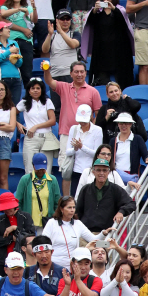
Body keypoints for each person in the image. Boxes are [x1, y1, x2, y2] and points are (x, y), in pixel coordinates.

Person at [43, 59, 101, 195]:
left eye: (82, 72)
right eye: (76, 72)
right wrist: (46, 70)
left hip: (87, 133)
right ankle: (67, 200)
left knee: (86, 167)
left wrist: (92, 131)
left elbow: (97, 113)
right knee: (66, 168)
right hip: (66, 133)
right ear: (71, 73)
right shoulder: (63, 87)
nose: (79, 74)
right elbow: (49, 81)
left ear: (86, 73)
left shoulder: (93, 91)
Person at [16, 77, 57, 174]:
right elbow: (11, 114)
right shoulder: (24, 102)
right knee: (30, 170)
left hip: (46, 139)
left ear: (42, 90)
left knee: (46, 171)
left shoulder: (48, 102)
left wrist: (36, 126)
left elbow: (52, 121)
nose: (35, 90)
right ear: (29, 90)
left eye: (38, 88)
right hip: (30, 138)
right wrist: (18, 124)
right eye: (32, 88)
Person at [43, 196, 95, 269]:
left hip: (72, 267)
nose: (72, 210)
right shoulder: (51, 223)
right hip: (54, 265)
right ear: (61, 209)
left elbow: (94, 240)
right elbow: (43, 243)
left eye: (74, 207)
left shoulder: (78, 224)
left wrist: (104, 233)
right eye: (69, 207)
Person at [16, 151, 60, 232]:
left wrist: (54, 216)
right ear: (33, 166)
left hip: (46, 222)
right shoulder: (25, 179)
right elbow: (18, 201)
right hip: (28, 223)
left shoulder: (52, 180)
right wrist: (22, 218)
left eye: (43, 168)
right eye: (38, 168)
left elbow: (57, 202)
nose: (40, 171)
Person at [66, 103, 103, 197]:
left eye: (84, 121)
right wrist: (75, 149)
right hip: (76, 171)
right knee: (76, 198)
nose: (82, 123)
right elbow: (68, 152)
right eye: (80, 121)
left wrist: (82, 147)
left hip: (91, 171)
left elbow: (97, 154)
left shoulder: (97, 130)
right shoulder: (73, 129)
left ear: (91, 116)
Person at [0, 20, 23, 106]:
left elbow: (20, 63)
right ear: (0, 32)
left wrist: (16, 59)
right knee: (2, 106)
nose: (9, 30)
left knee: (15, 106)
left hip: (16, 79)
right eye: (6, 28)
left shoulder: (14, 43)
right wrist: (9, 52)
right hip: (1, 80)